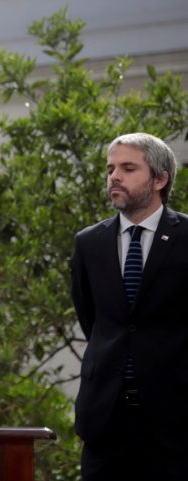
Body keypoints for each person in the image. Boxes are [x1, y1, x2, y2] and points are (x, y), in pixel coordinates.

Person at [70, 132, 188, 480]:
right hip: (105, 420)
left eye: (128, 168)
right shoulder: (89, 243)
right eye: (110, 169)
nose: (114, 177)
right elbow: (93, 320)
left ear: (160, 179)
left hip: (175, 423)